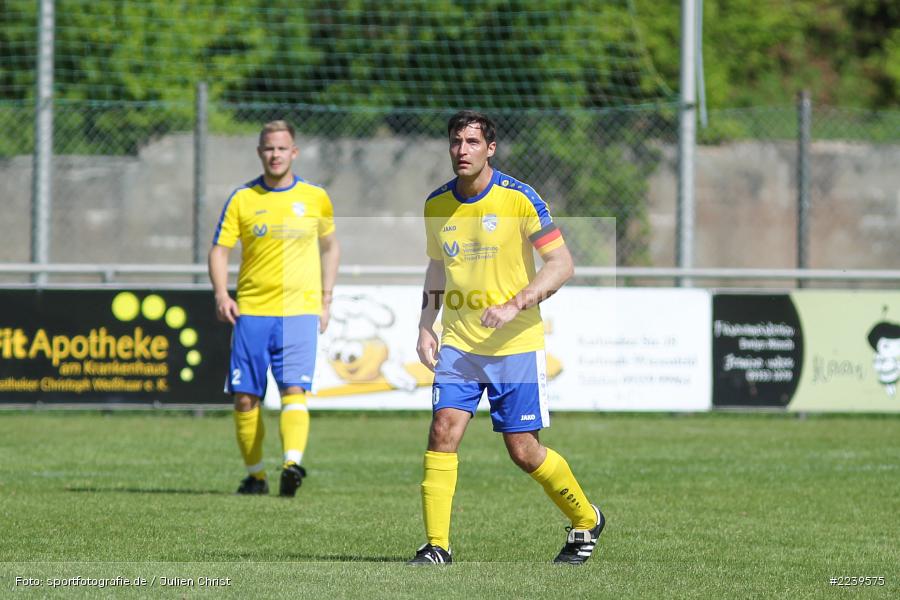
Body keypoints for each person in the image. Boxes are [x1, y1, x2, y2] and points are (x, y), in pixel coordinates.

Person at [408, 110, 605, 565]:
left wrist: (515, 304)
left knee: (524, 451)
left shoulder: (519, 198)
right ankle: (437, 545)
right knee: (442, 431)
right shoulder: (437, 204)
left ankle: (585, 519)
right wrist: (425, 323)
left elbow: (562, 265)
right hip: (460, 344)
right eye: (456, 142)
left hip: (514, 346)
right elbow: (437, 267)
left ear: (490, 148)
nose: (462, 150)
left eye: (473, 142)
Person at [208, 120, 340, 497]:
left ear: (294, 152)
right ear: (259, 152)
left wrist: (326, 299)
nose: (275, 154)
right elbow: (219, 250)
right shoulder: (242, 198)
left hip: (299, 311)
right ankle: (256, 476)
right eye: (269, 148)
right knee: (245, 397)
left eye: (282, 148)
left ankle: (291, 464)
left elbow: (331, 247)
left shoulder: (315, 197)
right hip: (251, 311)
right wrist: (221, 295)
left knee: (294, 389)